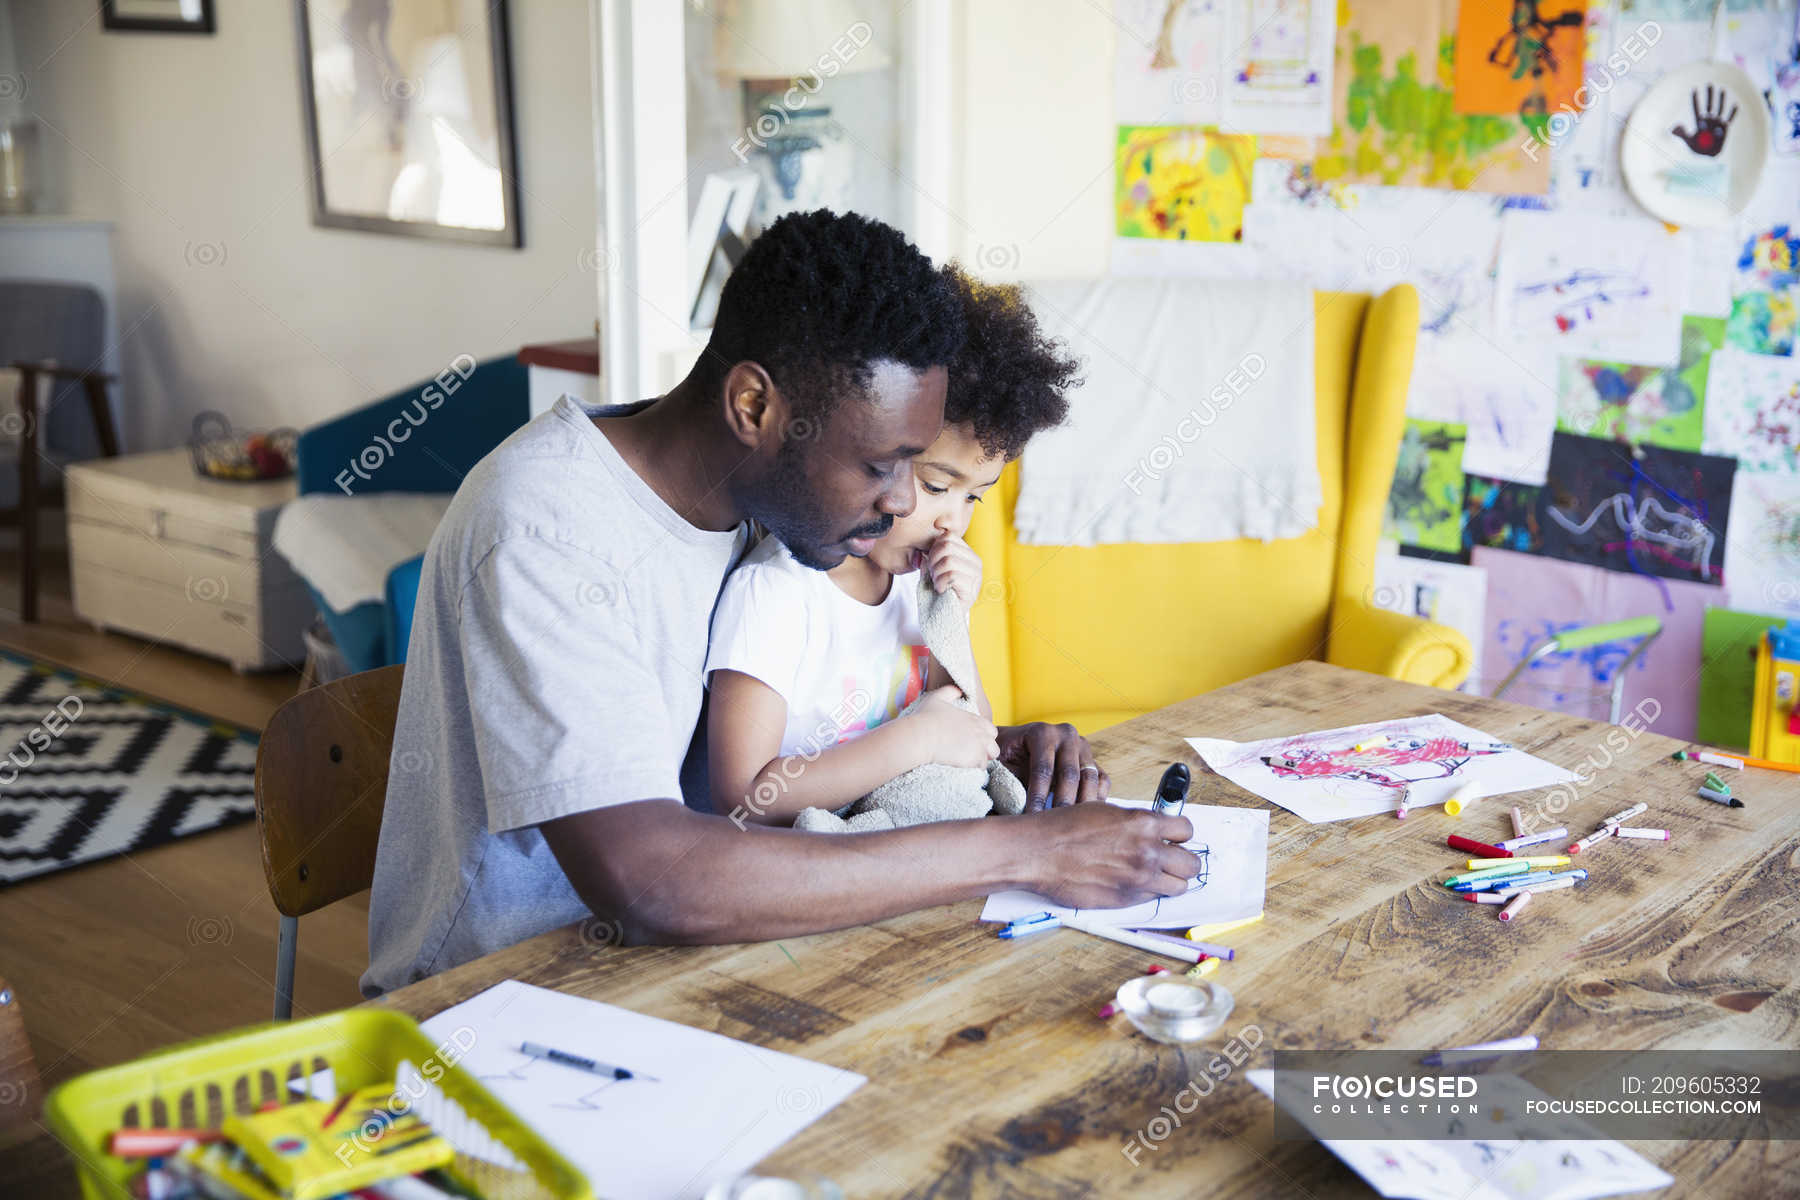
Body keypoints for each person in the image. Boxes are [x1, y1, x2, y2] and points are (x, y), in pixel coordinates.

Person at [362, 211, 1196, 996]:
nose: (902, 500)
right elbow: (651, 880)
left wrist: (996, 747)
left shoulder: (771, 499)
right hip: (509, 998)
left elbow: (814, 735)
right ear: (754, 406)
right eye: (883, 466)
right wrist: (1022, 853)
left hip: (706, 953)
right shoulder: (546, 531)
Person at [704, 267, 1083, 823]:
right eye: (936, 486)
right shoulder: (777, 592)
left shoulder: (915, 584)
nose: (952, 520)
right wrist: (914, 743)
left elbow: (972, 736)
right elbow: (742, 797)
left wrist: (953, 616)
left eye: (974, 498)